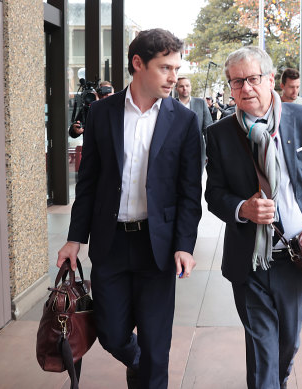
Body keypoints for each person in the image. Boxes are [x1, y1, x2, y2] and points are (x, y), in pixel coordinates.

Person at [205, 46, 302, 389]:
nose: (245, 88)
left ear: (269, 79)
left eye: (252, 79)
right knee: (262, 349)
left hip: (301, 256)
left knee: (286, 344)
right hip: (250, 261)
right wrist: (242, 208)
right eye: (236, 82)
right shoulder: (219, 134)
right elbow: (213, 194)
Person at [57, 29, 202, 389]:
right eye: (165, 68)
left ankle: (151, 369)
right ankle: (144, 364)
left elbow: (189, 193)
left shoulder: (184, 121)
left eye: (176, 68)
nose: (174, 77)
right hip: (111, 245)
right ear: (138, 64)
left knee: (157, 344)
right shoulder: (101, 113)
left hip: (158, 247)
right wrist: (75, 239)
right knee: (111, 334)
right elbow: (88, 183)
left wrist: (184, 244)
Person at [175, 76, 213, 167]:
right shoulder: (171, 104)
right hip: (176, 153)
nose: (185, 88)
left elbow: (208, 128)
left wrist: (211, 152)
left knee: (196, 180)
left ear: (191, 87)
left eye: (187, 86)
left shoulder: (201, 103)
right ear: (176, 88)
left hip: (197, 152)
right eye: (181, 86)